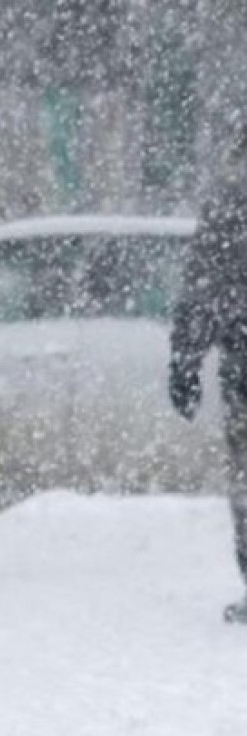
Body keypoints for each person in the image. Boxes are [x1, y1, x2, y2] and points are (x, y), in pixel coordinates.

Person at [170, 126, 247, 623]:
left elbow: (205, 287)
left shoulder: (229, 205)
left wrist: (186, 357)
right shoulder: (230, 207)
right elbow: (206, 286)